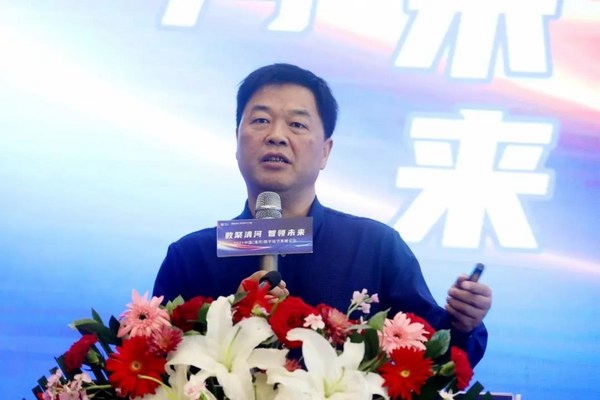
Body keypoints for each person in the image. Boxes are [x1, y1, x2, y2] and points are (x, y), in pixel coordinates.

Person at [153, 63, 492, 366]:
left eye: (297, 124)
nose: (276, 136)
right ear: (237, 141)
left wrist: (464, 325)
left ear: (325, 152)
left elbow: (433, 361)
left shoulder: (374, 247)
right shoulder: (192, 257)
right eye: (261, 120)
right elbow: (151, 358)